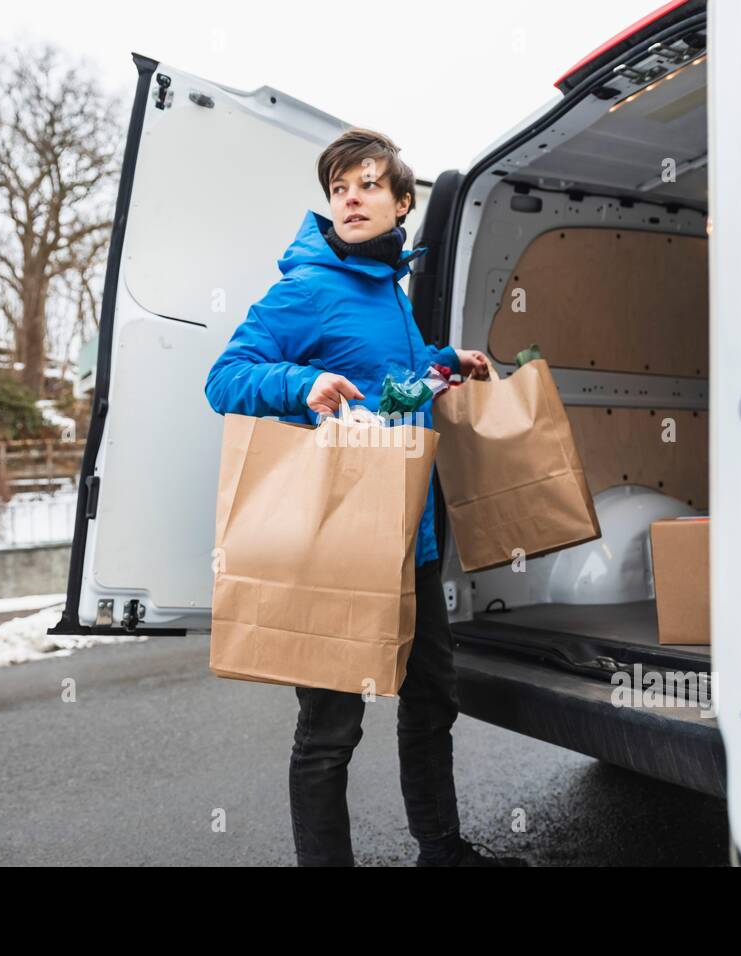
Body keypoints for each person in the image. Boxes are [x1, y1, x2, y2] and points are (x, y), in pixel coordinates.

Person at [203, 128, 528, 867]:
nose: (351, 198)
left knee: (431, 701)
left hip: (412, 542)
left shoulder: (390, 290)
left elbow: (391, 389)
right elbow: (225, 377)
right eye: (340, 188)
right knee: (329, 733)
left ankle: (440, 850)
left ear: (401, 202)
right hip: (342, 546)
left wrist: (446, 365)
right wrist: (298, 383)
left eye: (369, 185)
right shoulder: (308, 288)